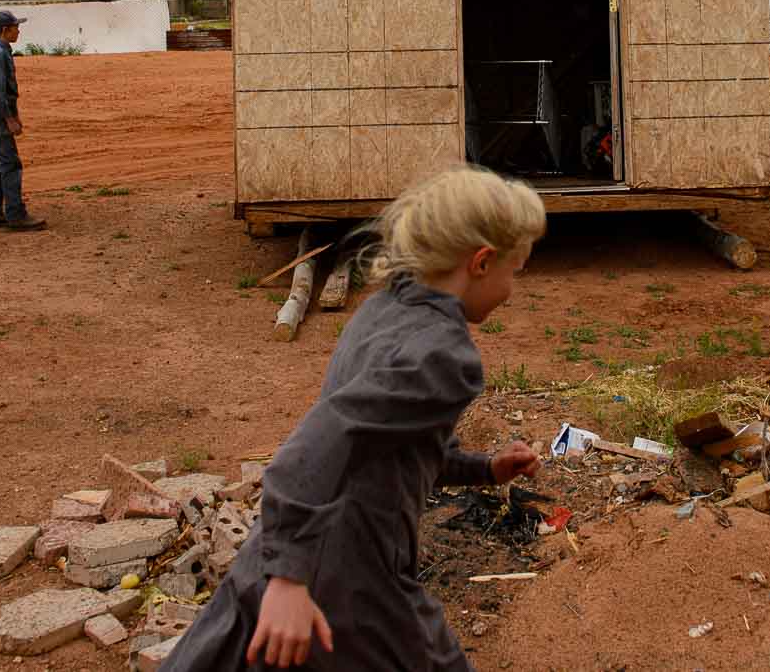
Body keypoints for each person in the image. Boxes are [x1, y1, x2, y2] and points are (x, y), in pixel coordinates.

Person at [164, 166, 547, 670]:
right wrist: (288, 579)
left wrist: (484, 468)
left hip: (307, 556)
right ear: (481, 262)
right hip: (347, 576)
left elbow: (382, 445)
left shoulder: (383, 310)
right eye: (513, 272)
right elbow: (310, 451)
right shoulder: (445, 356)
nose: (511, 292)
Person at [0, 8, 46, 231]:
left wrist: (14, 113)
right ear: (5, 30)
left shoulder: (0, 51)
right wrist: (9, 118)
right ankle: (16, 215)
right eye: (15, 27)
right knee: (10, 163)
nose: (18, 30)